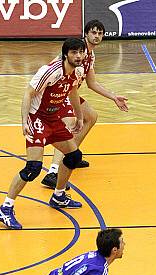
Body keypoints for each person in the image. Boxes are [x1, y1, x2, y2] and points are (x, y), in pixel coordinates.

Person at [0, 38, 86, 230]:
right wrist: (24, 121)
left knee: (74, 156)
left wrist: (79, 117)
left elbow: (73, 92)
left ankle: (59, 196)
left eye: (81, 52)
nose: (78, 56)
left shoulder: (77, 72)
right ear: (65, 54)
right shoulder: (50, 71)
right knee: (33, 168)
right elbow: (28, 93)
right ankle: (5, 208)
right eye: (74, 52)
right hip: (38, 120)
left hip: (55, 120)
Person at [41, 19, 128, 190]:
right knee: (66, 130)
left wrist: (113, 97)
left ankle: (73, 156)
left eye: (100, 33)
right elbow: (56, 64)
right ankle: (53, 172)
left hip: (70, 91)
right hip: (58, 91)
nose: (97, 36)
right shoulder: (77, 51)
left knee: (91, 116)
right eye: (93, 33)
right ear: (86, 34)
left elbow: (92, 83)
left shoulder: (91, 55)